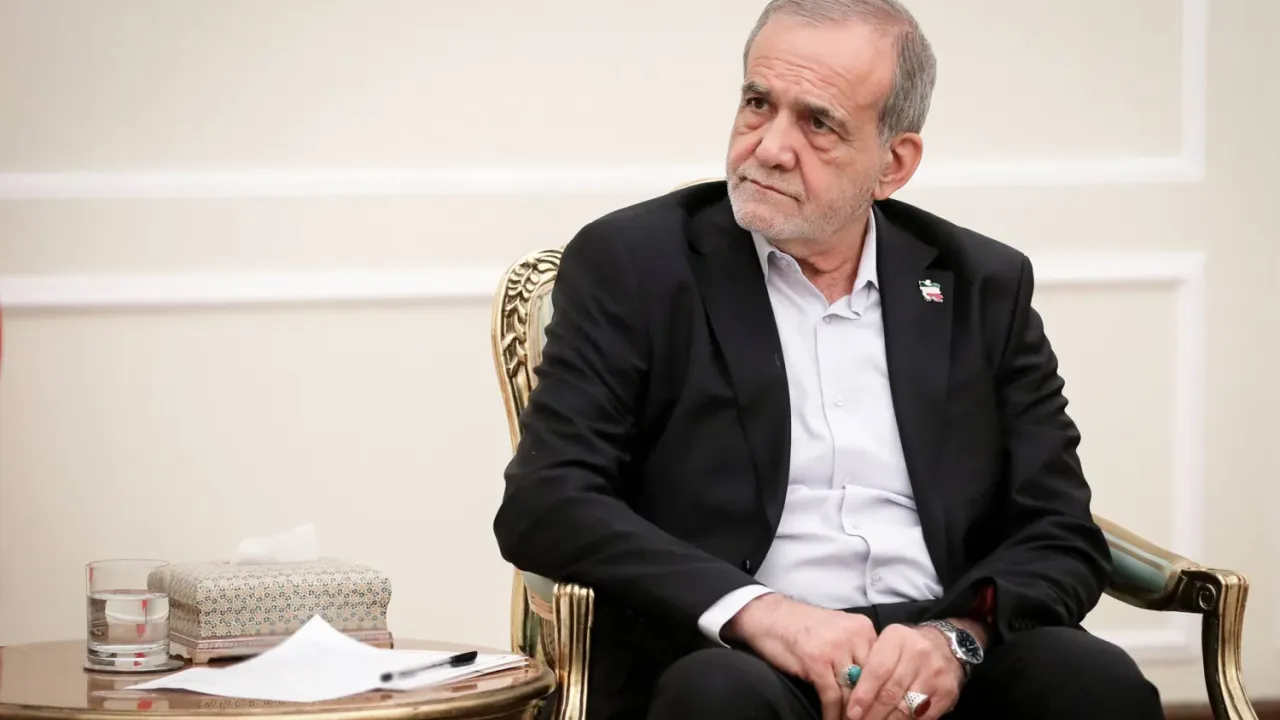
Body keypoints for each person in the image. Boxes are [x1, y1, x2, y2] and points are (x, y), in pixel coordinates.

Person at [493, 1, 1164, 719]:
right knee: (718, 699)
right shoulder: (637, 264)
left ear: (893, 163)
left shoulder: (981, 285)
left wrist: (957, 639)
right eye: (758, 104)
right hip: (737, 653)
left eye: (818, 123)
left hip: (938, 651)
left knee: (1093, 684)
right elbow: (548, 502)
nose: (770, 148)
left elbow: (1060, 529)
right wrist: (761, 613)